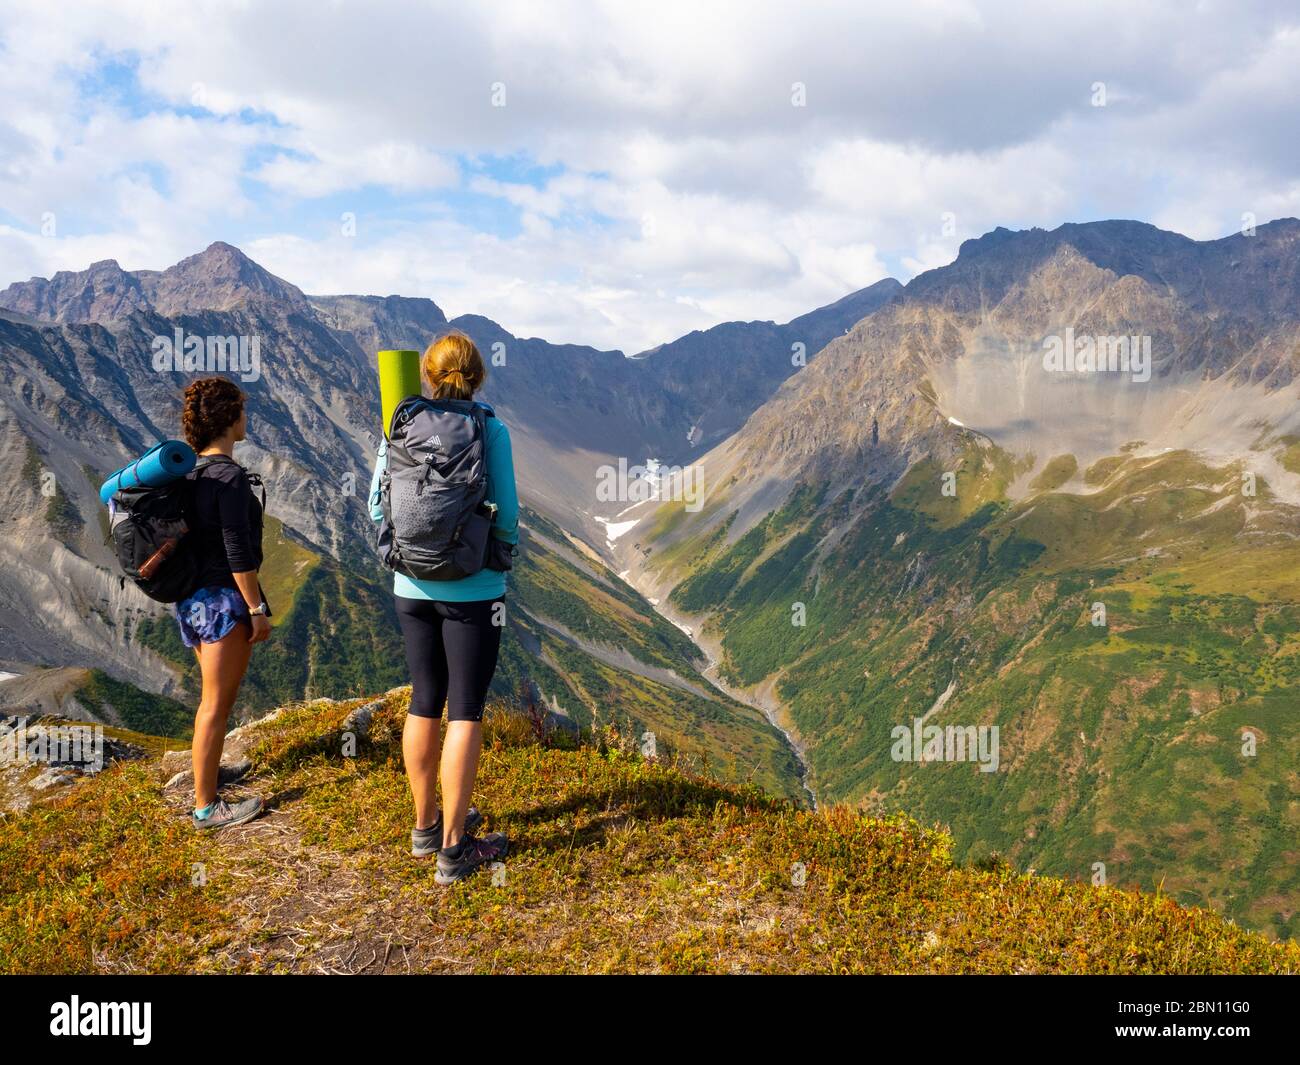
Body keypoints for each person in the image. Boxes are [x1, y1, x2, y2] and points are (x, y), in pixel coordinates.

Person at [369, 331, 518, 884]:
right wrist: (496, 553)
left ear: (427, 377)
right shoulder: (489, 428)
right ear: (478, 375)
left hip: (410, 586)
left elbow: (375, 502)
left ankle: (426, 825)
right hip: (473, 591)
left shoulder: (399, 423)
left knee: (424, 699)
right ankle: (455, 851)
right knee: (467, 711)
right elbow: (508, 512)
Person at [178, 377, 270, 831]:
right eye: (242, 411)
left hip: (193, 601)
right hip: (222, 605)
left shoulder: (191, 475)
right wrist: (255, 608)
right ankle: (206, 808)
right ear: (230, 419)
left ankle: (208, 776)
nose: (246, 418)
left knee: (211, 700)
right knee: (215, 704)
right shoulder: (229, 477)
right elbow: (238, 551)